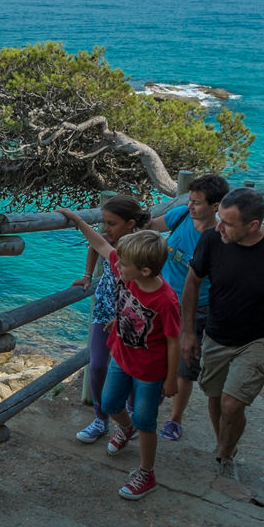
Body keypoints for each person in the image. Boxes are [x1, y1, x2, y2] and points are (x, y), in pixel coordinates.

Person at [181, 187, 264, 481]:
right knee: (214, 397)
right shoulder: (212, 239)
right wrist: (189, 332)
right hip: (216, 333)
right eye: (219, 219)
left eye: (227, 223)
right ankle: (225, 445)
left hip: (261, 339)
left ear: (252, 226)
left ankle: (224, 454)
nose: (219, 226)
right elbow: (193, 282)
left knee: (231, 403)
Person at [61, 212, 180, 500]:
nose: (117, 267)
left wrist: (172, 379)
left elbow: (173, 341)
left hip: (150, 371)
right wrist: (77, 220)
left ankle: (146, 473)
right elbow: (102, 245)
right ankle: (124, 430)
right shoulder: (129, 270)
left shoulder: (166, 301)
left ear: (146, 271)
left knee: (146, 422)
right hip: (121, 356)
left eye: (123, 265)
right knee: (111, 403)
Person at [148, 173, 230, 442]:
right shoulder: (181, 215)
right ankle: (151, 398)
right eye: (190, 200)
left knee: (186, 366)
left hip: (195, 309)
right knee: (153, 353)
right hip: (161, 300)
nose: (191, 206)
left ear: (216, 206)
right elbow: (149, 226)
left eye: (197, 202)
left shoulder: (219, 238)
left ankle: (175, 419)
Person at [70, 196, 153, 445]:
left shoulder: (141, 248)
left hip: (129, 316)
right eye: (104, 222)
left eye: (111, 223)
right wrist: (87, 275)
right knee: (96, 365)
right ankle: (100, 418)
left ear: (130, 224)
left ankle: (128, 421)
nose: (106, 228)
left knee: (126, 369)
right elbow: (95, 244)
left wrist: (124, 317)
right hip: (105, 308)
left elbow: (147, 287)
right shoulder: (109, 239)